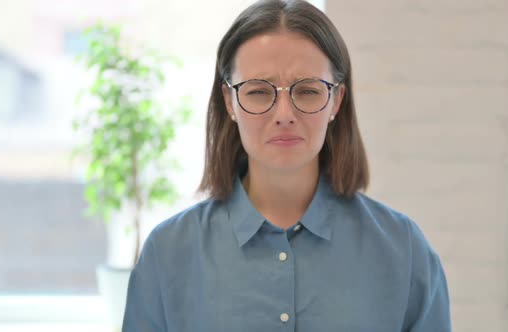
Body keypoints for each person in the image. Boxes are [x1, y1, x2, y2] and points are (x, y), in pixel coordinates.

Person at [122, 0, 451, 331]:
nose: (284, 115)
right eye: (258, 92)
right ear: (229, 101)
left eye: (307, 91)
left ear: (337, 100)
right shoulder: (167, 254)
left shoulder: (403, 251)